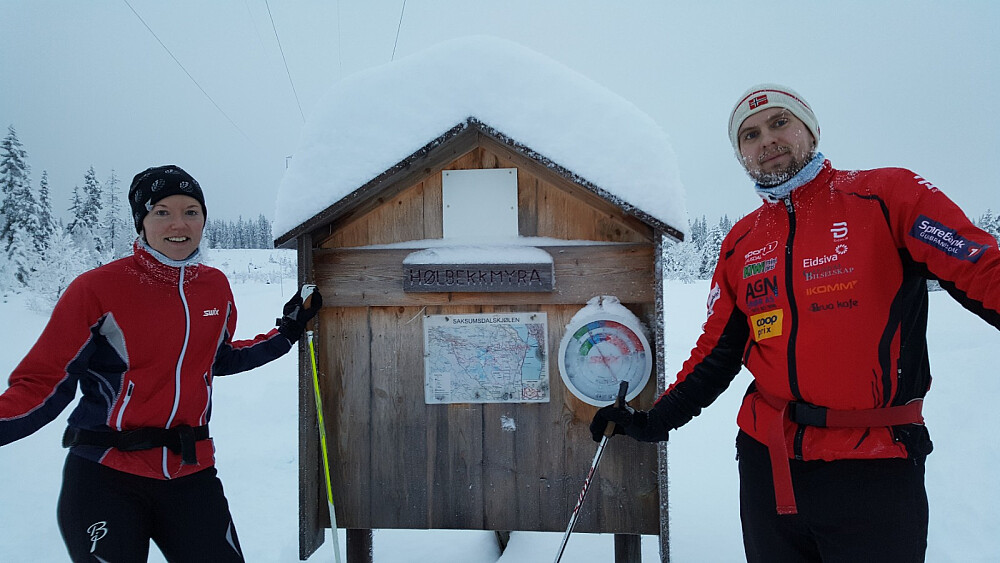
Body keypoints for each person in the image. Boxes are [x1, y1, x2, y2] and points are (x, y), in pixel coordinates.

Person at [591, 84, 1000, 562]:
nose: (766, 140)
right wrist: (654, 420)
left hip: (874, 466)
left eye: (779, 122)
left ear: (811, 129)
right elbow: (717, 351)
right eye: (749, 135)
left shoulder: (887, 195)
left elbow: (980, 268)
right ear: (741, 155)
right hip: (769, 466)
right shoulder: (742, 242)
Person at [0, 165, 322, 562]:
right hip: (106, 474)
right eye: (162, 211)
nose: (178, 224)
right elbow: (43, 383)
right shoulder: (97, 289)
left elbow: (218, 358)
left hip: (191, 473)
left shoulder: (214, 287)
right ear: (141, 221)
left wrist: (288, 330)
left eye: (191, 211)